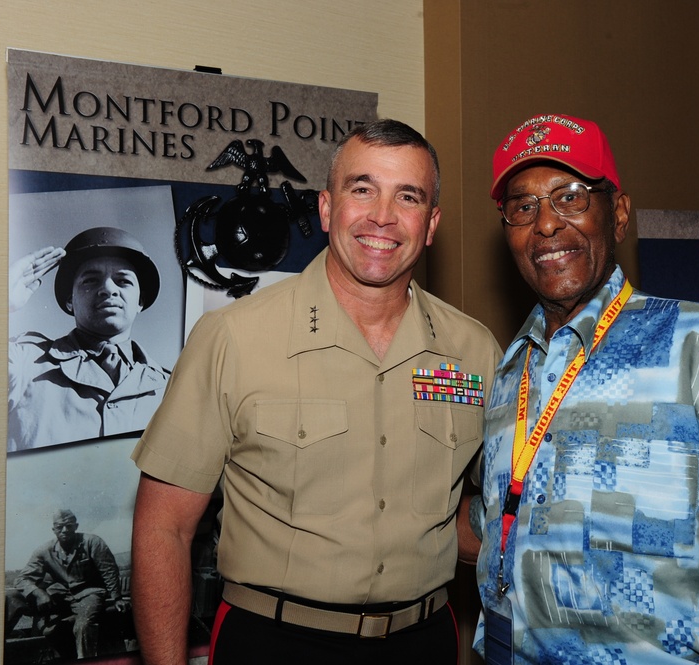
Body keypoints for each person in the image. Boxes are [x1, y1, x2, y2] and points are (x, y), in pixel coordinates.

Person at [466, 114, 699, 665]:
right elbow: (503, 521)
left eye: (570, 197)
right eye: (523, 207)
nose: (545, 224)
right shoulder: (509, 373)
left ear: (618, 215)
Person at [130, 119, 501, 665]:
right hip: (274, 642)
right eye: (362, 189)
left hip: (422, 642)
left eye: (408, 196)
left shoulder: (475, 352)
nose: (382, 215)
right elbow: (163, 527)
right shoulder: (233, 338)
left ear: (431, 223)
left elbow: (489, 509)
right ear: (327, 209)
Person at [7, 226, 171, 452]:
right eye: (91, 280)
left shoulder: (172, 389)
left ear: (140, 302)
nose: (108, 289)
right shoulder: (23, 363)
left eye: (123, 281)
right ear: (69, 301)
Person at [5, 509, 129, 659]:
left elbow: (109, 571)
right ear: (53, 529)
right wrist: (39, 593)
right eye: (59, 527)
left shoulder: (92, 542)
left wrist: (117, 598)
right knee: (12, 597)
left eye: (69, 526)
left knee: (84, 625)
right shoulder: (45, 551)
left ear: (76, 526)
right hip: (59, 595)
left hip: (89, 593)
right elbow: (22, 579)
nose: (64, 530)